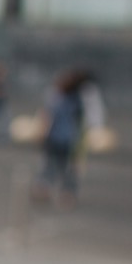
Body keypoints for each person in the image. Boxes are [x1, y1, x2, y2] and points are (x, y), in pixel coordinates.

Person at [34, 68, 86, 207]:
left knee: (57, 166)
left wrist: (42, 132)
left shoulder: (63, 99)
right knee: (57, 166)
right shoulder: (73, 100)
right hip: (63, 138)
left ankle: (58, 192)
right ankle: (55, 192)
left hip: (61, 138)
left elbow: (47, 117)